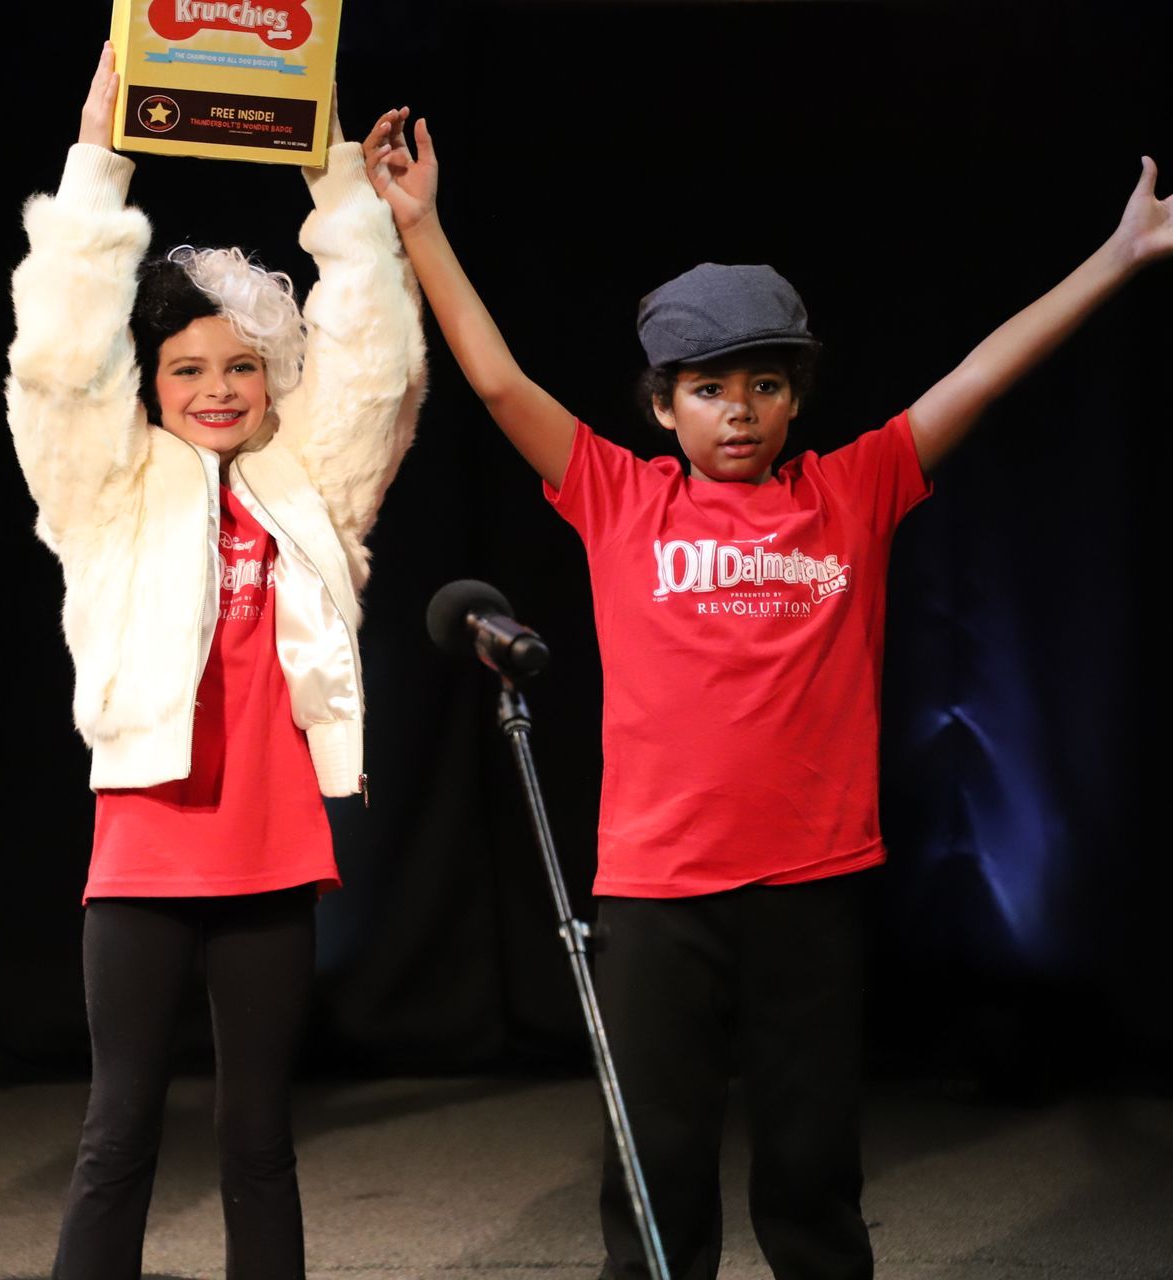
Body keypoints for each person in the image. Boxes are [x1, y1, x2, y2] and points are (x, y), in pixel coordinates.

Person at [366, 104, 1171, 1280]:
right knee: (657, 1167)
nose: (736, 411)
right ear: (660, 405)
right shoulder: (617, 495)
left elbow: (982, 372)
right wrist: (421, 224)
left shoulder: (857, 488)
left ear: (798, 398)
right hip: (655, 887)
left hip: (809, 882)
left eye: (762, 385)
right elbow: (495, 382)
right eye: (705, 388)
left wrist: (1118, 257)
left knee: (809, 1165)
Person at [4, 44, 425, 1280]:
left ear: (273, 376)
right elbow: (57, 361)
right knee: (119, 1128)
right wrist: (98, 162)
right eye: (187, 368)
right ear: (151, 386)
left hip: (272, 844)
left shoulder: (313, 490)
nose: (217, 387)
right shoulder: (109, 487)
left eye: (241, 364)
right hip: (143, 845)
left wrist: (335, 175)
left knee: (257, 1134)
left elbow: (379, 363)